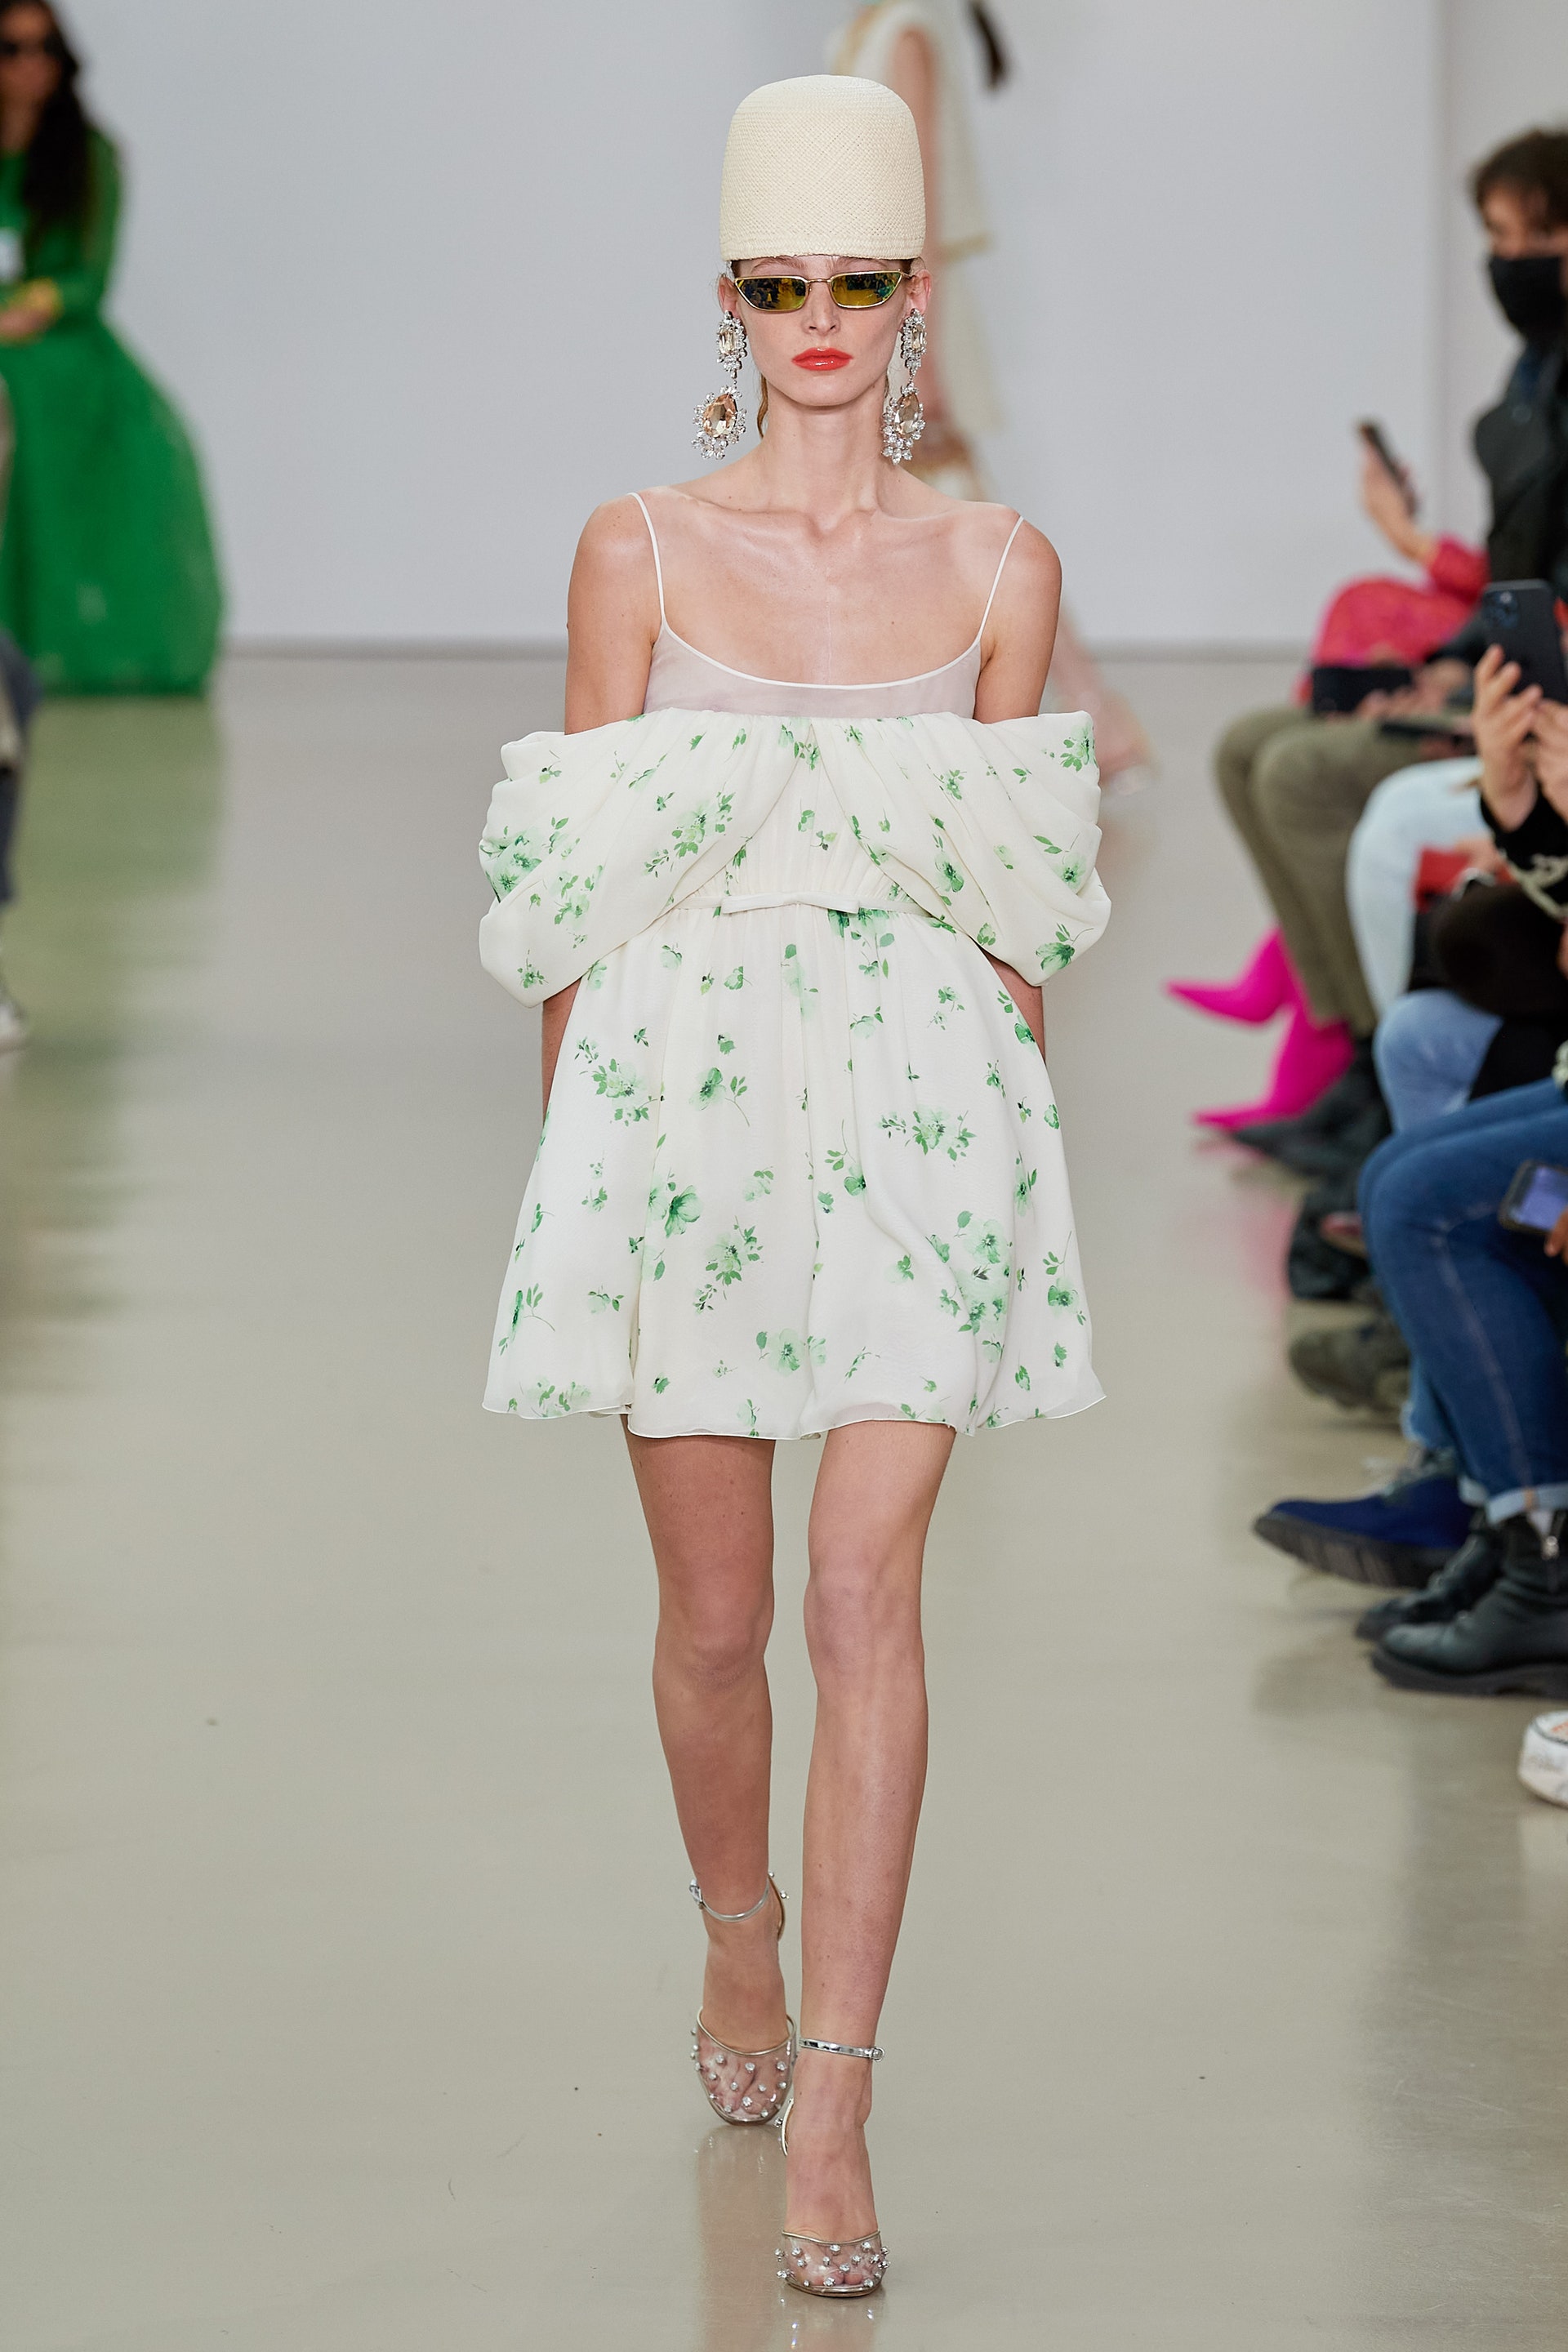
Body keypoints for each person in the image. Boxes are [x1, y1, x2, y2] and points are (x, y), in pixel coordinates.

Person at [476, 74, 1108, 2298]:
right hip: (681, 1111)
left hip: (926, 1112)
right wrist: (571, 1187)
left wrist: (1023, 1185)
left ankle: (835, 2095)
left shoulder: (1003, 568)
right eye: (778, 284)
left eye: (856, 282)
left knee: (864, 1602)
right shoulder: (635, 552)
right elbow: (571, 890)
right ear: (729, 300)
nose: (818, 321)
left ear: (912, 298)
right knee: (723, 1623)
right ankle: (734, 1923)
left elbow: (1022, 917)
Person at [1183, 125, 1568, 1125]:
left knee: (1296, 770)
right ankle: (1332, 1027)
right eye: (1498, 238)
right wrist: (1443, 658)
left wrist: (1452, 643)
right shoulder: (1535, 377)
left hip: (1537, 699)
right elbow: (1520, 581)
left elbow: (1539, 593)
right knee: (1246, 745)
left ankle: (1359, 1060)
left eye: (1533, 237)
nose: (1510, 263)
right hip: (1504, 666)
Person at [832, 0, 1155, 790]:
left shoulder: (905, 31)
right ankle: (1085, 715)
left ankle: (1089, 714)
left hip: (900, 310)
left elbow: (919, 199)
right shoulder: (877, 28)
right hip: (866, 303)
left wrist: (919, 344)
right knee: (941, 511)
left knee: (961, 515)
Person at [0, 2, 221, 693]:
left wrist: (30, 307)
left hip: (55, 347)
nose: (30, 65)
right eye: (12, 48)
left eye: (44, 48)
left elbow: (87, 278)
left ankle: (40, 646)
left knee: (34, 411)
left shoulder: (89, 156)